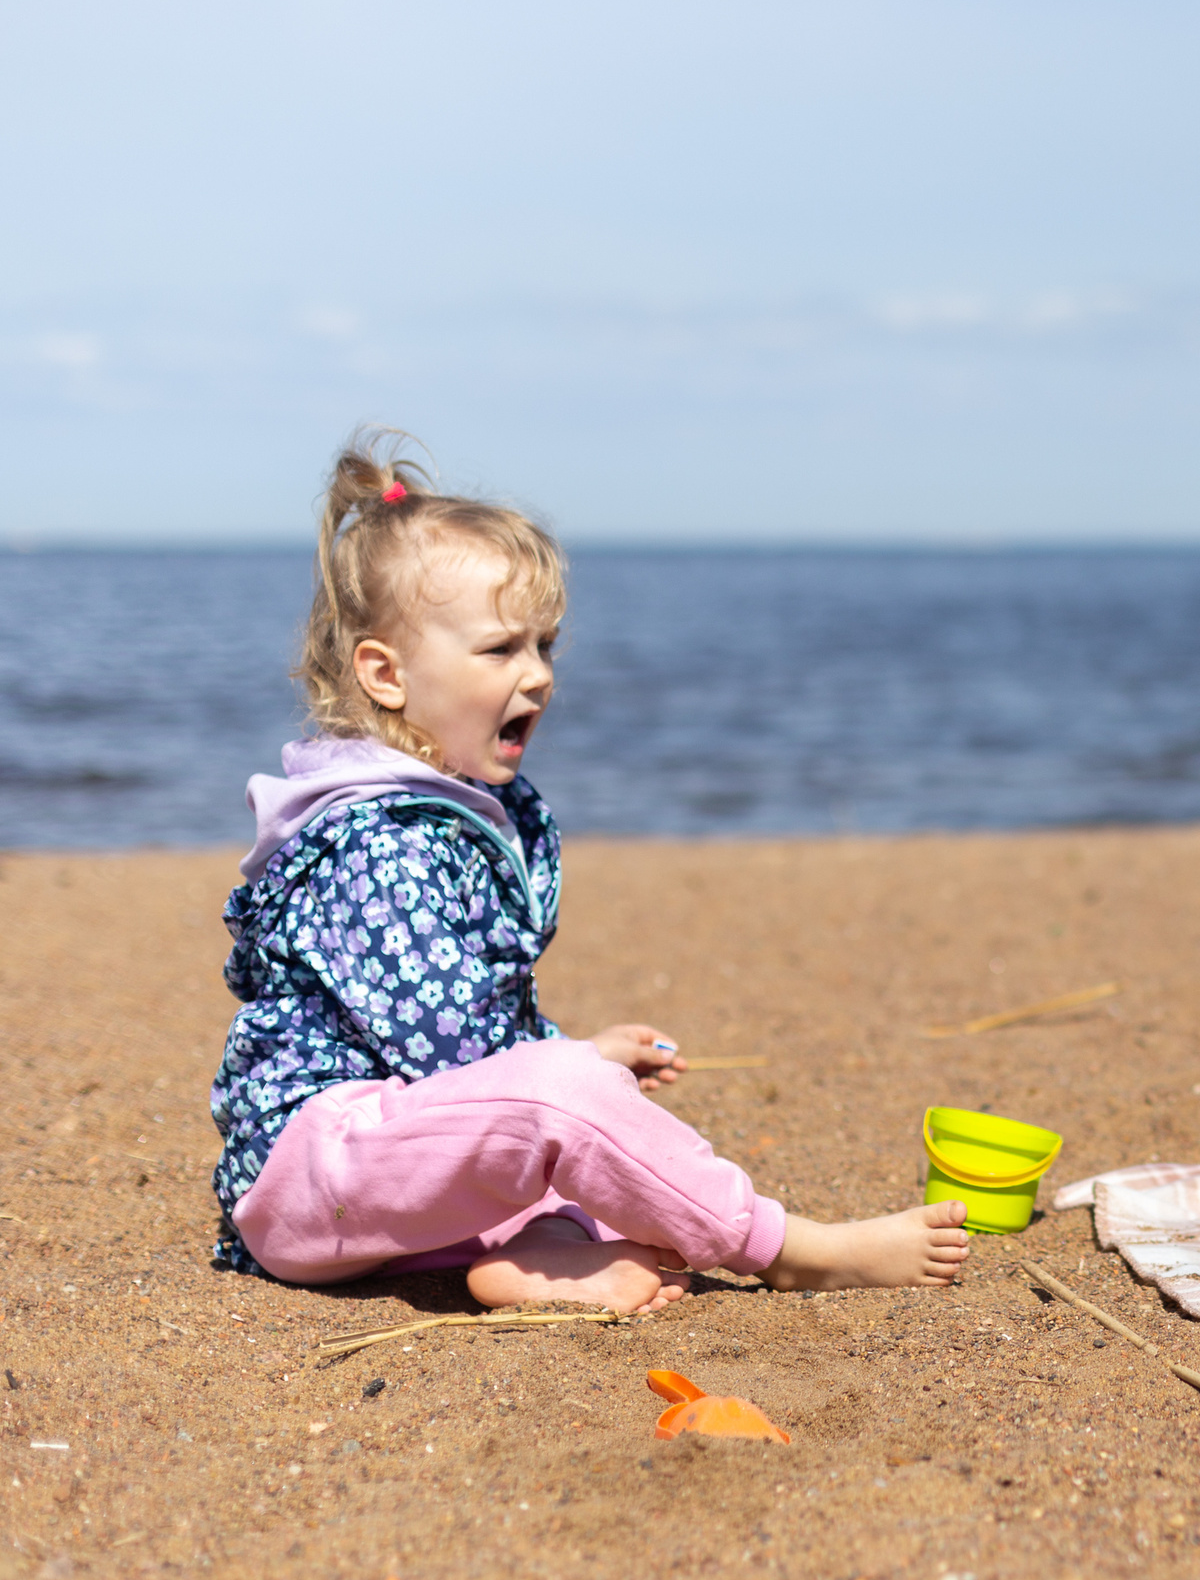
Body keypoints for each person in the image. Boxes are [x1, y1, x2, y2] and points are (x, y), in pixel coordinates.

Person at [211, 431, 971, 1312]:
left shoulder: (462, 810)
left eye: (546, 646)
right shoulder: (376, 844)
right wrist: (571, 1065)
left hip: (385, 1177)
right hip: (316, 1175)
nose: (536, 675)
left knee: (596, 1154)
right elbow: (460, 1050)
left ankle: (537, 1255)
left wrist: (577, 1053)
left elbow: (485, 1025)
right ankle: (792, 1248)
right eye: (500, 650)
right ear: (384, 674)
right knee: (574, 1105)